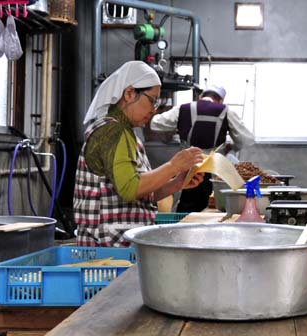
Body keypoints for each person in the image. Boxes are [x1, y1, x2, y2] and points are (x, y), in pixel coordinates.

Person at [74, 61, 205, 247]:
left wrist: (176, 182)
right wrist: (173, 166)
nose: (154, 109)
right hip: (108, 251)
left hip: (121, 245)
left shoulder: (126, 134)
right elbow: (130, 189)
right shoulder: (112, 132)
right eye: (151, 100)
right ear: (129, 94)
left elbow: (141, 194)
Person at [150, 84, 254, 212]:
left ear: (201, 97)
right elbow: (247, 139)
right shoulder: (226, 111)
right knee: (212, 207)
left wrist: (178, 126)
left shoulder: (184, 108)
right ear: (220, 100)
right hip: (214, 169)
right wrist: (233, 146)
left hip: (187, 167)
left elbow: (155, 124)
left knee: (184, 206)